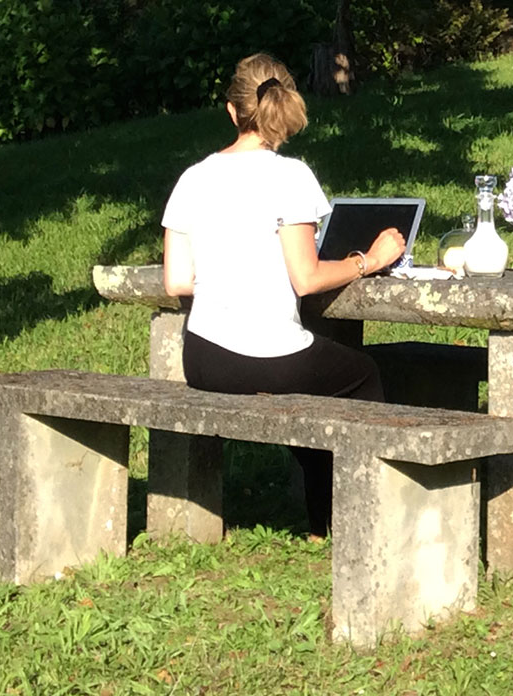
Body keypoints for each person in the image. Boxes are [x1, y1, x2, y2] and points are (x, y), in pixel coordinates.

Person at [161, 53, 405, 539]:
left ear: (232, 111)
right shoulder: (290, 175)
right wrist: (372, 259)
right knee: (362, 375)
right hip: (267, 358)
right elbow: (307, 279)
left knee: (311, 396)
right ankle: (370, 520)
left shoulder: (193, 177)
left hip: (204, 358)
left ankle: (322, 523)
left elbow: (177, 282)